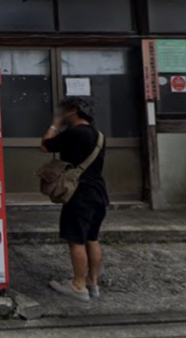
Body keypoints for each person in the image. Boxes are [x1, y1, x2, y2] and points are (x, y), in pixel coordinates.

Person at [40, 96, 108, 302]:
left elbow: (45, 145)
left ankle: (78, 286)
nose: (61, 114)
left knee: (76, 240)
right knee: (92, 238)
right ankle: (92, 282)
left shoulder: (74, 133)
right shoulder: (99, 135)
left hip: (80, 194)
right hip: (99, 193)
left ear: (73, 111)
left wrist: (55, 124)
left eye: (64, 111)